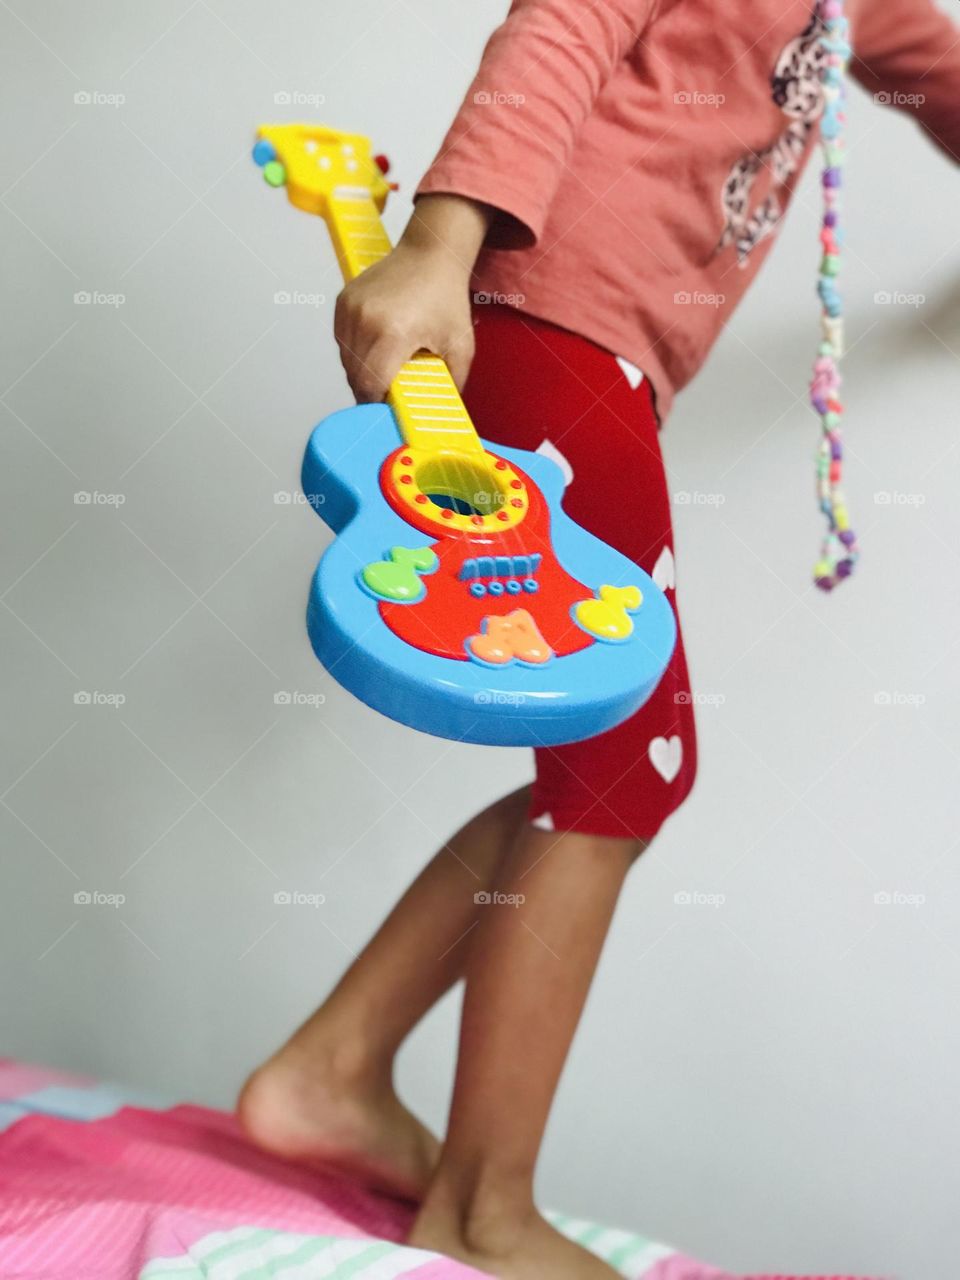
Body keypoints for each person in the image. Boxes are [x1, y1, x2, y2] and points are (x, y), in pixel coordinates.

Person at [239, 2, 960, 1275]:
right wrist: (434, 243)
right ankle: (484, 1207)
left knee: (607, 767)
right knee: (628, 771)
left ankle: (334, 1067)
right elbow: (558, 29)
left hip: (599, 355)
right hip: (545, 321)